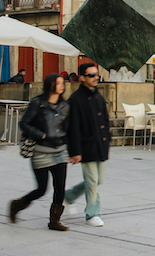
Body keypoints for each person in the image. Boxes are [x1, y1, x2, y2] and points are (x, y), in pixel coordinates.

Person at [8, 73, 70, 231]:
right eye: (58, 83)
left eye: (63, 83)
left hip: (60, 151)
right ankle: (17, 205)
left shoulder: (65, 106)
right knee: (41, 189)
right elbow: (24, 123)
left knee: (60, 188)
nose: (62, 86)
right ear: (50, 85)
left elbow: (69, 128)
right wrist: (39, 134)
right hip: (41, 151)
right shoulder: (37, 103)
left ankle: (54, 221)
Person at [65, 63, 111, 227]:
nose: (95, 78)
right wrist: (75, 151)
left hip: (100, 144)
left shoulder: (98, 95)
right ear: (82, 78)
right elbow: (73, 128)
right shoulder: (76, 99)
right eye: (91, 75)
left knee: (98, 181)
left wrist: (107, 139)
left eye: (96, 75)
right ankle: (92, 213)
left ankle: (69, 196)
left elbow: (105, 119)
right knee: (92, 181)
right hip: (86, 146)